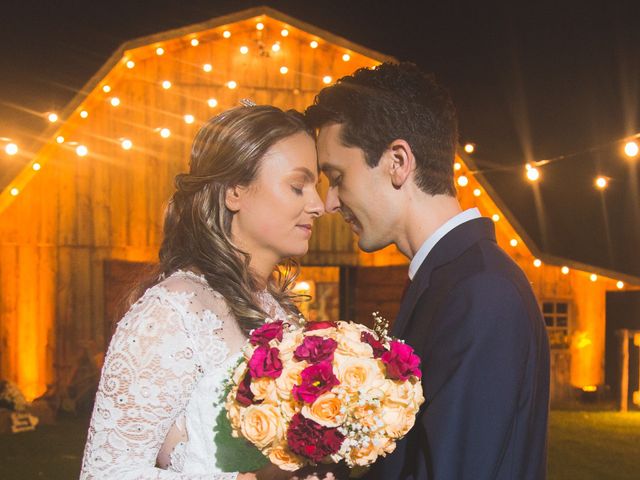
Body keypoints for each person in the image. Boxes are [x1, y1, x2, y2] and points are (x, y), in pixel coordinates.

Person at [306, 63, 550, 480]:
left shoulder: (481, 292)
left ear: (398, 161)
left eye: (337, 177)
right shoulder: (451, 278)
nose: (329, 202)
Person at [80, 105, 325, 479]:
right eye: (298, 186)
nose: (318, 205)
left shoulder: (281, 314)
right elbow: (107, 472)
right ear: (234, 191)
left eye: (317, 187)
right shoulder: (172, 311)